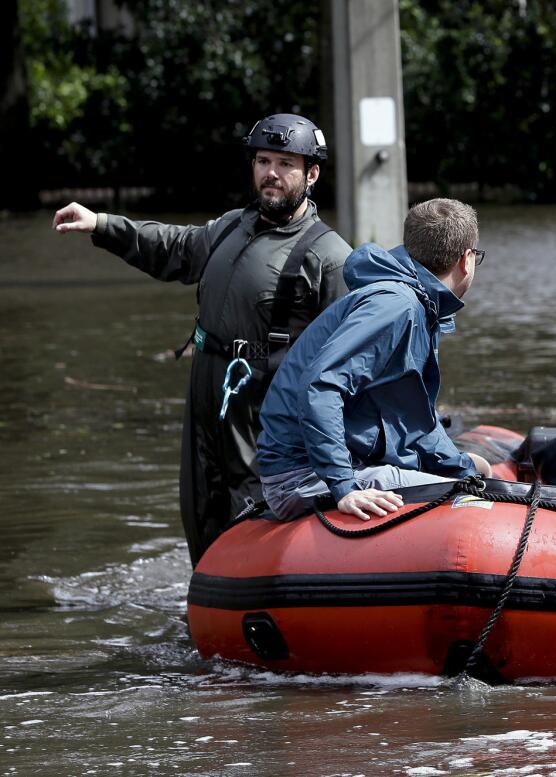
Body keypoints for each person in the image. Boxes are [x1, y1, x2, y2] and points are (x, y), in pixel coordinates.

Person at [51, 113, 352, 565]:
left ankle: (260, 603)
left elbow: (348, 359)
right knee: (199, 506)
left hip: (263, 406)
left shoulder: (329, 256)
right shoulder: (233, 225)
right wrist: (102, 224)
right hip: (205, 388)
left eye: (286, 163)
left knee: (253, 510)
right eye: (263, 160)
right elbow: (172, 247)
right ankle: (205, 607)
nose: (270, 173)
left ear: (311, 174)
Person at [256, 198, 493, 522]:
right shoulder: (396, 306)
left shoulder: (419, 302)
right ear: (466, 260)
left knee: (473, 479)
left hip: (328, 464)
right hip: (301, 476)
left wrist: (463, 464)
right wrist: (345, 486)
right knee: (474, 508)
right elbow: (321, 385)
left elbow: (413, 420)